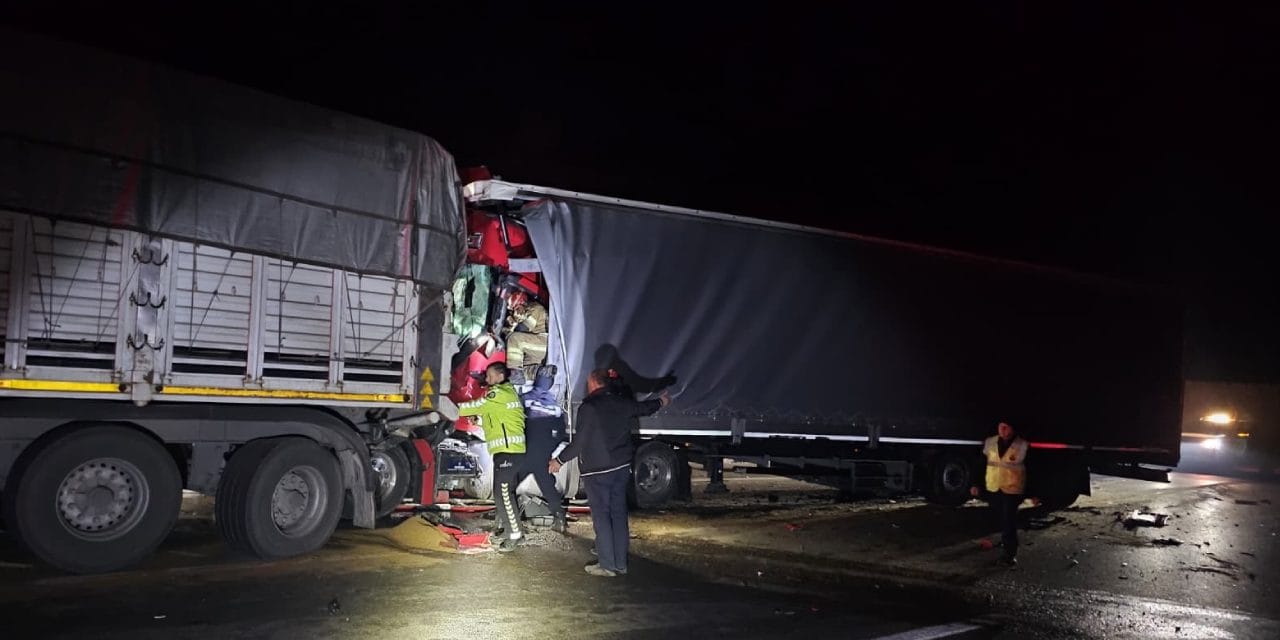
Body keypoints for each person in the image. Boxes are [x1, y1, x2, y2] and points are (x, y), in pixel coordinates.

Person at [549, 369, 670, 577]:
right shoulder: (620, 401)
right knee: (618, 514)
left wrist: (559, 461)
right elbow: (643, 408)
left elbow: (579, 442)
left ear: (594, 383)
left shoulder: (589, 407)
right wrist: (661, 401)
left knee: (602, 516)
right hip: (621, 467)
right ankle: (620, 564)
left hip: (598, 470)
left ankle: (607, 565)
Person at [455, 362, 527, 553]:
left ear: (500, 376)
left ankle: (515, 535)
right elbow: (494, 418)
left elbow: (476, 405)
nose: (486, 379)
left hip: (509, 452)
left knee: (503, 494)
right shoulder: (506, 393)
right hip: (508, 451)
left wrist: (450, 407)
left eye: (489, 375)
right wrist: (478, 420)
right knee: (501, 494)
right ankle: (511, 530)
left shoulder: (498, 394)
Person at [971, 421, 1029, 566]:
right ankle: (1004, 543)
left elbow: (1030, 470)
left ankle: (1010, 554)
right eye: (1000, 426)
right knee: (1000, 518)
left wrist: (1031, 492)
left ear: (1012, 428)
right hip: (994, 488)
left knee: (1009, 521)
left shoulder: (1022, 445)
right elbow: (981, 464)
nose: (1002, 429)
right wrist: (976, 484)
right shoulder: (990, 442)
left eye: (1006, 427)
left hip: (1012, 489)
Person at [519, 365, 569, 532]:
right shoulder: (554, 406)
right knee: (548, 488)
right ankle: (560, 520)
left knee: (508, 486)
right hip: (542, 455)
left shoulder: (524, 399)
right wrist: (549, 448)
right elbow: (560, 433)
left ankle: (504, 519)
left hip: (524, 452)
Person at [502, 296, 548, 385]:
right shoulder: (524, 313)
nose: (515, 312)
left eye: (517, 308)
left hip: (545, 343)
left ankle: (515, 375)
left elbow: (522, 329)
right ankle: (541, 372)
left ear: (523, 303)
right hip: (535, 348)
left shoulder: (536, 309)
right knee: (522, 368)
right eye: (512, 310)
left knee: (514, 339)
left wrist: (509, 328)